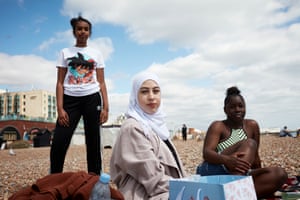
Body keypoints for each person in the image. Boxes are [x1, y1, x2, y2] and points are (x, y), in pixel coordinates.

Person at [196, 86, 287, 199]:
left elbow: (255, 159)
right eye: (232, 107)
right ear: (225, 110)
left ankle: (232, 194)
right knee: (249, 143)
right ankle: (237, 191)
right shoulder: (218, 126)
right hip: (214, 169)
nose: (237, 109)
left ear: (245, 108)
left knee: (279, 174)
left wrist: (263, 177)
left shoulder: (252, 125)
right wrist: (228, 160)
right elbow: (207, 153)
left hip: (239, 173)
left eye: (241, 106)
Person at [110, 71, 186, 199]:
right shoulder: (132, 128)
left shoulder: (157, 126)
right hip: (144, 195)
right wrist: (187, 189)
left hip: (166, 190)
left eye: (156, 91)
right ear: (135, 96)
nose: (151, 97)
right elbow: (153, 178)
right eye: (144, 92)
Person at [50, 15, 109, 175]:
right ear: (74, 31)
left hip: (92, 99)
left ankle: (94, 179)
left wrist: (106, 108)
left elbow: (102, 82)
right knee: (59, 141)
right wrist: (60, 108)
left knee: (93, 142)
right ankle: (54, 177)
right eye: (79, 29)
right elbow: (60, 83)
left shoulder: (96, 53)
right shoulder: (65, 52)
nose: (83, 32)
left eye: (86, 29)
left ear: (89, 32)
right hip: (70, 101)